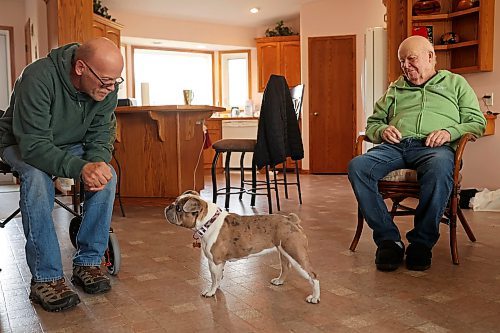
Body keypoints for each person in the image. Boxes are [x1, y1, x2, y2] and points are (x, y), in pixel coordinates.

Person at [0, 37, 124, 312]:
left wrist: (96, 165)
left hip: (69, 143)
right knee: (37, 179)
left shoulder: (107, 86)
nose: (111, 88)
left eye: (116, 81)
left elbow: (101, 133)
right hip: (21, 142)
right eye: (105, 80)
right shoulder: (38, 77)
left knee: (107, 176)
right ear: (80, 68)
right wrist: (79, 168)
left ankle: (89, 262)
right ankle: (46, 277)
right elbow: (33, 146)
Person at [348, 35, 486, 272]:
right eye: (402, 61)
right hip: (395, 147)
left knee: (442, 167)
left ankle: (421, 243)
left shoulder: (455, 83)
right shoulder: (395, 88)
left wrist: (449, 131)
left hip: (434, 149)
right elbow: (372, 124)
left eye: (411, 59)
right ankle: (388, 240)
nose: (405, 66)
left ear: (430, 57)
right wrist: (382, 130)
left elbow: (477, 122)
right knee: (357, 166)